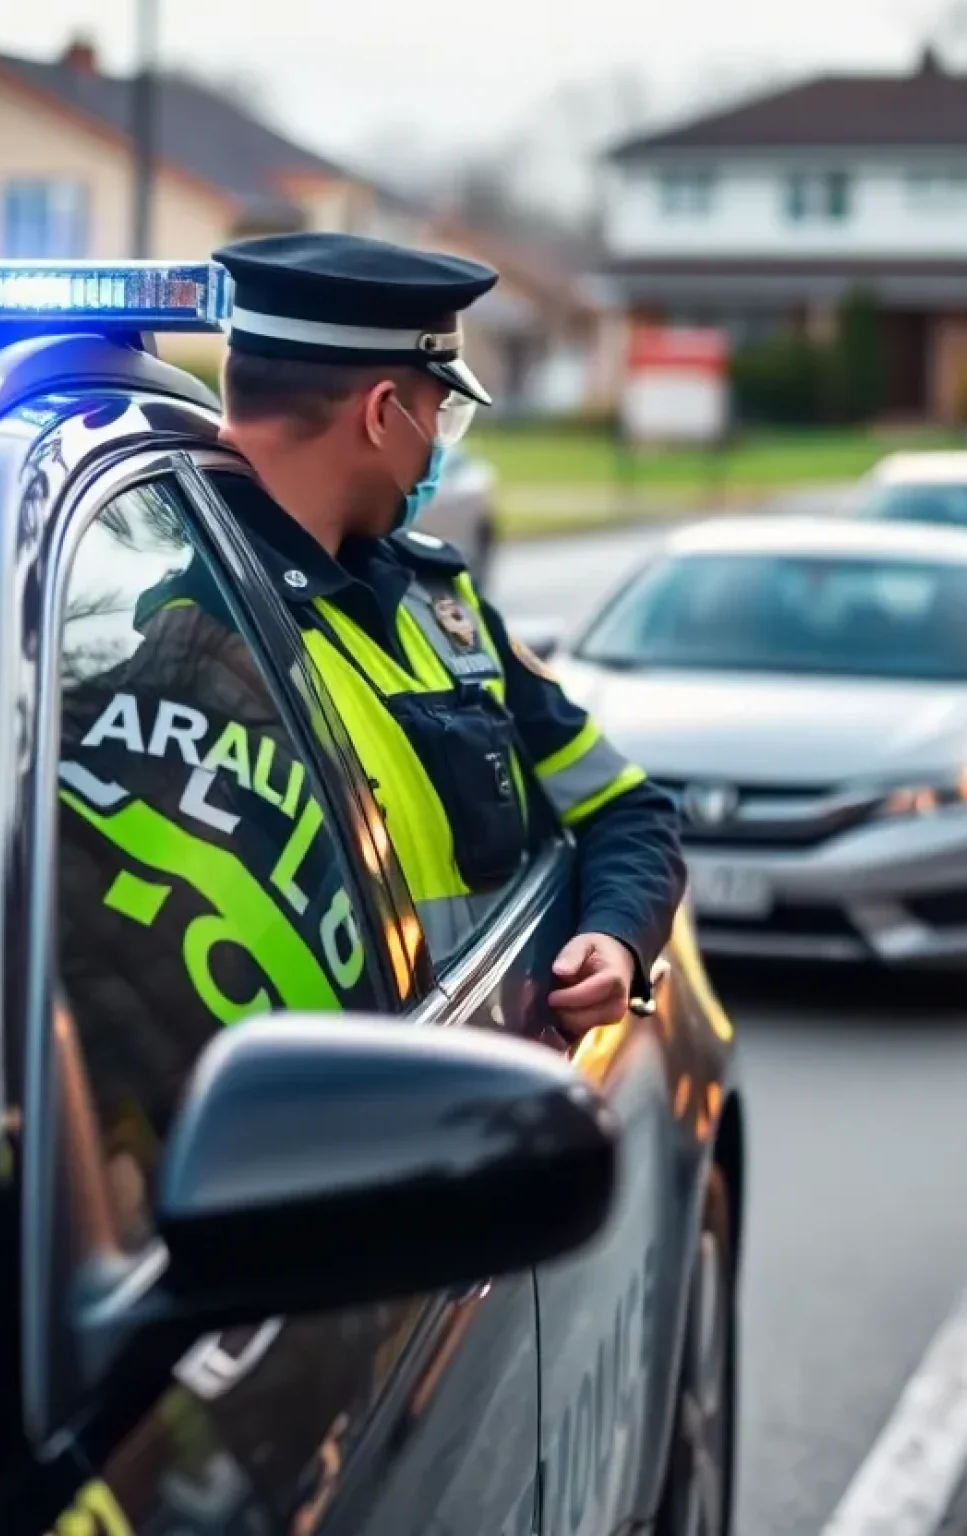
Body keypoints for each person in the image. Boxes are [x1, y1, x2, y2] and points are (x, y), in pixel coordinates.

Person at [208, 231, 684, 1038]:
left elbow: (627, 809)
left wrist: (614, 938)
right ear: (383, 413)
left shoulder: (440, 599)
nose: (438, 449)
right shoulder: (199, 629)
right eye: (441, 416)